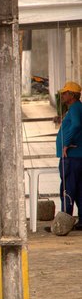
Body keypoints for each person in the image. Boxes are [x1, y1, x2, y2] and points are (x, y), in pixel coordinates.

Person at [56, 81, 82, 229]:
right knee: (78, 188)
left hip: (72, 156)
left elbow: (77, 124)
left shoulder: (75, 109)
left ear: (71, 95)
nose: (62, 95)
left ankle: (64, 222)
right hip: (76, 156)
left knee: (68, 188)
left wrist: (66, 142)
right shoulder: (76, 108)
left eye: (65, 93)